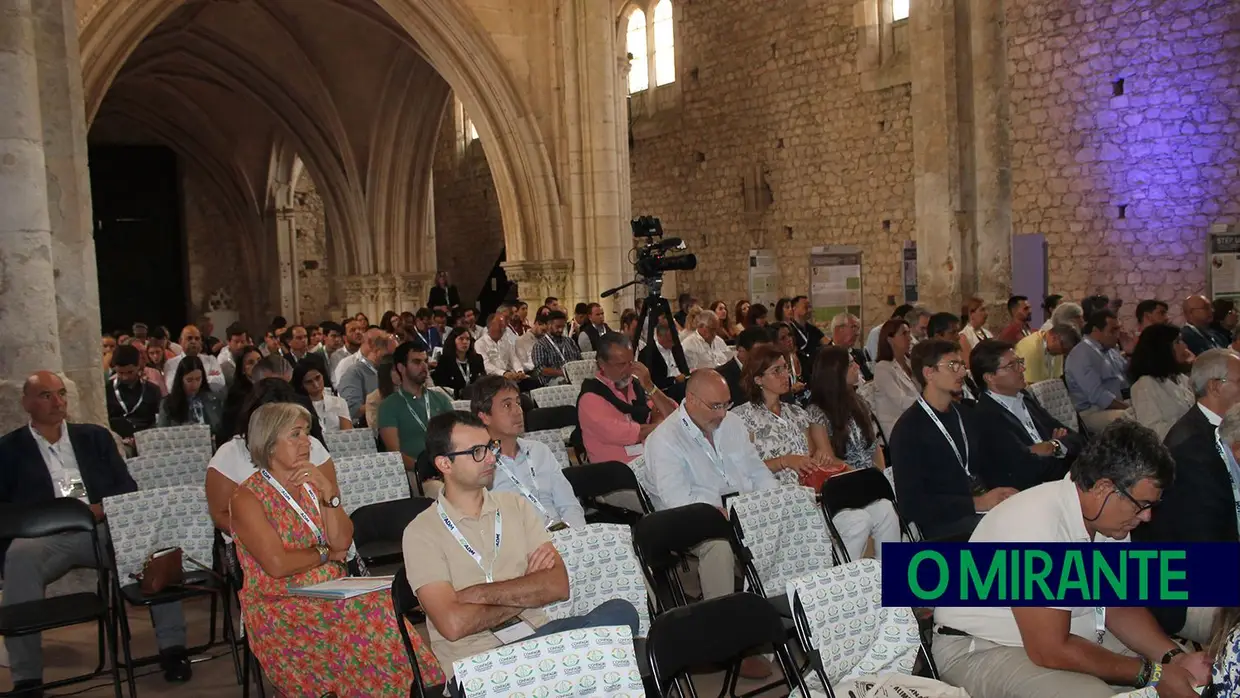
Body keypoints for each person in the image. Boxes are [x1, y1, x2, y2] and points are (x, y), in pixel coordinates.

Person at [933, 421, 1211, 698]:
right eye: (1142, 505)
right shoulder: (1037, 526)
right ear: (1104, 489)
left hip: (1071, 634)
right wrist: (1154, 673)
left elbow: (1118, 605)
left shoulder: (1106, 521)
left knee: (1186, 677)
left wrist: (1172, 658)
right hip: (980, 648)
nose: (1147, 516)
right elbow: (1050, 650)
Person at [402, 412, 640, 694]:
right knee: (600, 654)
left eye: (491, 447)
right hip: (477, 665)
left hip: (537, 637)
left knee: (621, 613)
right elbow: (453, 624)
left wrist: (477, 593)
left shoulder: (515, 506)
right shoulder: (421, 532)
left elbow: (557, 586)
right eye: (477, 452)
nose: (491, 458)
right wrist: (526, 591)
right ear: (444, 464)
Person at [230, 402, 441, 695]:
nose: (306, 442)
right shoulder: (248, 498)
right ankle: (394, 689)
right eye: (295, 435)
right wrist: (325, 554)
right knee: (371, 612)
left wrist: (330, 495)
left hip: (328, 584)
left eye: (306, 433)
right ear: (268, 444)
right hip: (278, 601)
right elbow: (277, 565)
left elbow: (342, 542)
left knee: (381, 601)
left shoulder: (312, 480)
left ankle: (411, 688)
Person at [0, 372, 191, 689]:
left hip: (103, 527)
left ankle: (173, 648)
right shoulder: (8, 450)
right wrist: (55, 515)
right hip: (44, 537)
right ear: (27, 403)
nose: (57, 401)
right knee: (19, 558)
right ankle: (27, 676)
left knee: (154, 544)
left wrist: (100, 509)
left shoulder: (94, 437)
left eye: (61, 393)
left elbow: (126, 487)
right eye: (46, 395)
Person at [642, 369, 777, 679]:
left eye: (727, 404)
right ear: (690, 400)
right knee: (718, 548)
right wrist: (721, 512)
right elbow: (678, 500)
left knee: (875, 510)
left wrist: (771, 504)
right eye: (716, 406)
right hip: (690, 521)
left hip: (742, 511)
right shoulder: (664, 440)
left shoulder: (731, 424)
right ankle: (727, 644)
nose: (723, 413)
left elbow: (757, 472)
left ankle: (779, 631)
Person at [733, 346, 901, 561]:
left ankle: (890, 582)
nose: (786, 375)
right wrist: (785, 461)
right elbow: (742, 469)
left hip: (815, 496)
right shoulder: (741, 418)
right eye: (777, 371)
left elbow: (815, 456)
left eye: (785, 368)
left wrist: (821, 459)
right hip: (777, 504)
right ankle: (840, 583)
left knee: (886, 509)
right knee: (858, 521)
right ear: (757, 379)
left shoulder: (796, 413)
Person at [1132, 348, 1240, 644]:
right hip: (1189, 589)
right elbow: (1206, 550)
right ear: (1217, 386)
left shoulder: (1216, 431)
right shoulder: (1193, 448)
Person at [888, 339, 1018, 540]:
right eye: (952, 366)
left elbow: (986, 464)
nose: (962, 373)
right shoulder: (908, 430)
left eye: (961, 365)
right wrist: (976, 503)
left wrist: (1003, 492)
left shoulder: (965, 414)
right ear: (929, 373)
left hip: (979, 509)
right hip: (944, 527)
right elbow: (911, 505)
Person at [207, 378, 332, 531]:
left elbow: (331, 501)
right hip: (252, 541)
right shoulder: (229, 454)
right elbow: (220, 515)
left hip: (315, 535)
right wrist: (266, 536)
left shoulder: (312, 446)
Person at [472, 376, 585, 528]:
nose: (518, 411)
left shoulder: (539, 451)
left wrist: (573, 535)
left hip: (562, 537)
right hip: (520, 545)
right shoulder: (478, 465)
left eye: (518, 403)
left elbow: (569, 504)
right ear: (484, 417)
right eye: (507, 406)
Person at [969, 339, 1083, 490]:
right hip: (1031, 493)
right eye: (1012, 365)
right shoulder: (986, 417)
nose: (1022, 368)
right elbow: (1027, 470)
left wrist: (1053, 446)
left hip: (1060, 481)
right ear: (990, 377)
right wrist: (1061, 452)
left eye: (1020, 362)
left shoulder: (1024, 397)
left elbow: (1075, 438)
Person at [578, 332, 679, 464]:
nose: (628, 370)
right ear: (602, 364)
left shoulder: (635, 387)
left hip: (650, 460)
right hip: (617, 473)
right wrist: (660, 425)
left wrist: (650, 386)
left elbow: (673, 415)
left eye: (631, 363)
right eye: (621, 364)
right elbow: (625, 434)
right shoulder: (590, 398)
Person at [378, 340, 454, 472]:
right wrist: (424, 469)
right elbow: (394, 454)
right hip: (413, 473)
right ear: (401, 367)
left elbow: (456, 437)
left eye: (425, 361)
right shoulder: (388, 406)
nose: (424, 367)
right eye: (417, 362)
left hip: (447, 468)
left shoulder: (440, 399)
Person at [806, 346, 885, 469]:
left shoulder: (858, 401)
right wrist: (864, 478)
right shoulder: (816, 412)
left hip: (871, 475)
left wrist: (881, 475)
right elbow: (829, 458)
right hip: (845, 479)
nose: (857, 367)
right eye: (851, 364)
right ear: (835, 370)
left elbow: (874, 447)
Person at [1065, 309, 1131, 433]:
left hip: (1118, 403)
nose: (1117, 336)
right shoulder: (1081, 354)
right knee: (1132, 419)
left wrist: (1131, 352)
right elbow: (1098, 396)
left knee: (1153, 405)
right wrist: (1130, 408)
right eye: (1113, 331)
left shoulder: (1110, 351)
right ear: (1096, 331)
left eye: (1118, 330)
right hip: (1092, 412)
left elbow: (1127, 377)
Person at [1128, 323, 1195, 439]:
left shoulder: (1181, 378)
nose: (1184, 346)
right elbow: (1152, 431)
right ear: (1162, 348)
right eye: (1177, 342)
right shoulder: (1145, 385)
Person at [869, 318, 920, 438]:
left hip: (915, 420)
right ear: (890, 339)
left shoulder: (910, 363)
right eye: (904, 334)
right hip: (897, 428)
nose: (909, 338)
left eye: (909, 333)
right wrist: (928, 402)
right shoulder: (883, 368)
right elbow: (901, 401)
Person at [157, 355, 224, 437]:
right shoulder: (167, 403)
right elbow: (162, 434)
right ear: (181, 379)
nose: (194, 385)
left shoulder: (212, 399)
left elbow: (219, 429)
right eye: (189, 380)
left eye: (198, 379)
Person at [105, 344, 162, 440]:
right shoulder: (107, 390)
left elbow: (158, 421)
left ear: (138, 366)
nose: (125, 377)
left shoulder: (152, 390)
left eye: (130, 372)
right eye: (121, 373)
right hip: (116, 440)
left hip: (146, 439)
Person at [338, 328, 394, 424]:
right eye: (390, 355)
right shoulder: (354, 373)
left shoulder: (392, 371)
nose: (393, 360)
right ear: (377, 351)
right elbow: (352, 411)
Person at [716, 327, 774, 408]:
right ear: (741, 351)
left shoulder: (773, 372)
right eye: (759, 353)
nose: (765, 357)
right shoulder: (721, 378)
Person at [292, 356, 351, 431]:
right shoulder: (298, 407)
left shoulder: (339, 402)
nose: (316, 385)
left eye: (317, 378)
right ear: (301, 385)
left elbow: (347, 433)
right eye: (309, 382)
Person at [220, 346, 263, 441]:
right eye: (250, 363)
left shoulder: (269, 387)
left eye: (259, 361)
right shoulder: (237, 394)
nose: (257, 365)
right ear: (242, 369)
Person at [1015, 322, 1081, 385]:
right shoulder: (1031, 349)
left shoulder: (1055, 347)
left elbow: (1056, 379)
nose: (1063, 354)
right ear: (1054, 338)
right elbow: (1029, 386)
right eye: (1064, 350)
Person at [641, 319, 691, 402]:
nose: (673, 343)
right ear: (659, 336)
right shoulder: (648, 354)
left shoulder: (676, 348)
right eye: (670, 340)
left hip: (682, 383)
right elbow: (651, 381)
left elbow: (684, 368)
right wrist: (674, 380)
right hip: (665, 391)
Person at [432, 327, 486, 399]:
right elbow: (442, 386)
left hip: (475, 399)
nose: (465, 342)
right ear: (453, 341)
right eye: (461, 339)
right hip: (453, 399)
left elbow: (483, 381)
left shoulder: (477, 359)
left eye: (467, 339)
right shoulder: (445, 360)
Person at [531, 310, 581, 386]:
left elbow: (579, 359)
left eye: (562, 327)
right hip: (552, 382)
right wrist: (564, 373)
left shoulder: (569, 341)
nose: (560, 330)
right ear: (549, 325)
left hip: (575, 377)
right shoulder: (540, 345)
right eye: (557, 327)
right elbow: (541, 369)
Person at [476, 313, 529, 384]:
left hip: (509, 376)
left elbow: (513, 358)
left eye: (504, 325)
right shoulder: (480, 343)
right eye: (500, 325)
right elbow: (486, 365)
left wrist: (519, 371)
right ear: (490, 326)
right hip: (492, 379)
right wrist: (503, 373)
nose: (503, 328)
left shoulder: (506, 341)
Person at [771, 322, 810, 404]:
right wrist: (791, 391)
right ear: (773, 343)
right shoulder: (772, 368)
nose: (789, 339)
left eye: (789, 335)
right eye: (783, 338)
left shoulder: (802, 358)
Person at [827, 312, 872, 382]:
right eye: (853, 327)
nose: (857, 333)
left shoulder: (859, 354)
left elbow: (870, 378)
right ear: (839, 329)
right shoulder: (823, 356)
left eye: (858, 329)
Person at [788, 295, 826, 364]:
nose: (809, 310)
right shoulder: (788, 330)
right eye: (806, 307)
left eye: (810, 307)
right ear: (794, 308)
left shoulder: (813, 329)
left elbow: (827, 342)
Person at [958, 296, 993, 365]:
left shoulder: (987, 333)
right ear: (971, 314)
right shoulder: (964, 336)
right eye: (982, 310)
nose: (986, 313)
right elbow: (968, 363)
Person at [218, 323, 250, 387]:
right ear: (228, 342)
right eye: (236, 342)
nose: (240, 345)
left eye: (243, 342)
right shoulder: (223, 361)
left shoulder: (250, 352)